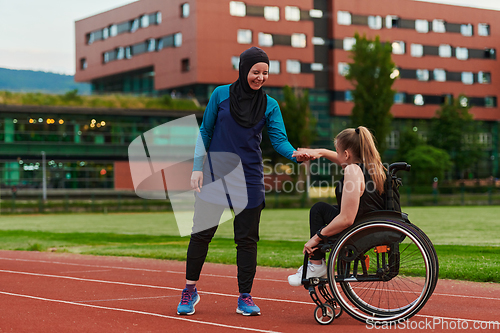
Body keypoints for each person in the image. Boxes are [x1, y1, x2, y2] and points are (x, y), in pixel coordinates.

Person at [177, 46, 307, 316]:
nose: (260, 77)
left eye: (265, 73)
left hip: (249, 178)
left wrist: (295, 154)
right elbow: (205, 130)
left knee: (247, 240)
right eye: (255, 71)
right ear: (243, 69)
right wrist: (197, 167)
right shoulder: (220, 95)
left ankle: (245, 296)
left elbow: (279, 140)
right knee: (201, 235)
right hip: (215, 174)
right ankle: (189, 290)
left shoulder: (270, 105)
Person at [287, 126, 386, 286]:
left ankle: (316, 264)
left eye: (338, 151)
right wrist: (320, 152)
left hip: (357, 228)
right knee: (325, 209)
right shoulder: (374, 167)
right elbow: (342, 159)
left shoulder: (352, 171)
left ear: (346, 154)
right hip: (371, 224)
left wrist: (316, 238)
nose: (338, 156)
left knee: (318, 209)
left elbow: (346, 219)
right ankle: (316, 264)